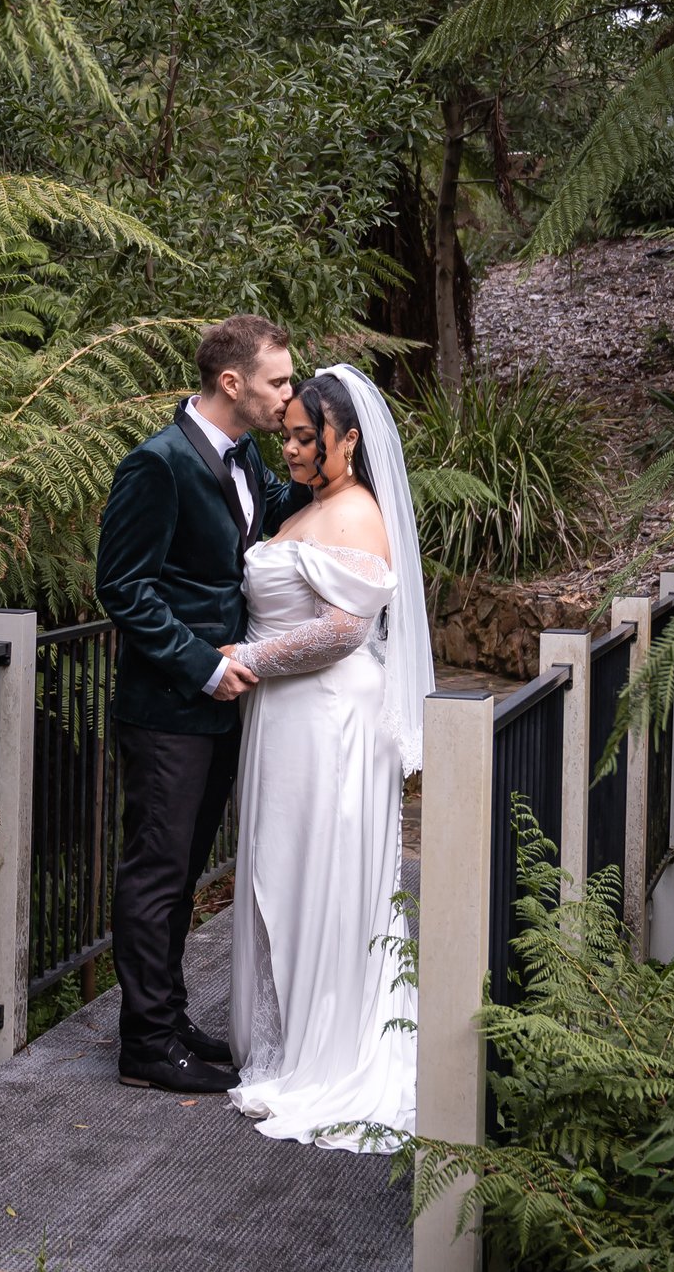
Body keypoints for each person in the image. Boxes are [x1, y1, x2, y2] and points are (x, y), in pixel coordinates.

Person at [218, 366, 431, 1150]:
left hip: (331, 716)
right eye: (289, 436)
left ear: (349, 438)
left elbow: (343, 631)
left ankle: (330, 1047)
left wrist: (246, 657)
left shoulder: (358, 512)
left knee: (319, 873)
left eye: (309, 437)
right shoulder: (314, 506)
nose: (295, 449)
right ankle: (293, 1036)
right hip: (291, 716)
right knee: (285, 869)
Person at [93, 315, 306, 1095]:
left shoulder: (243, 452)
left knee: (182, 872)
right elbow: (123, 587)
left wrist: (346, 469)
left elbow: (268, 515)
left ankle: (170, 1015)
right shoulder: (156, 464)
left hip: (222, 704)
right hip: (169, 708)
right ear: (232, 382)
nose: (288, 394)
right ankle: (145, 1041)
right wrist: (201, 667)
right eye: (279, 381)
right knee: (156, 870)